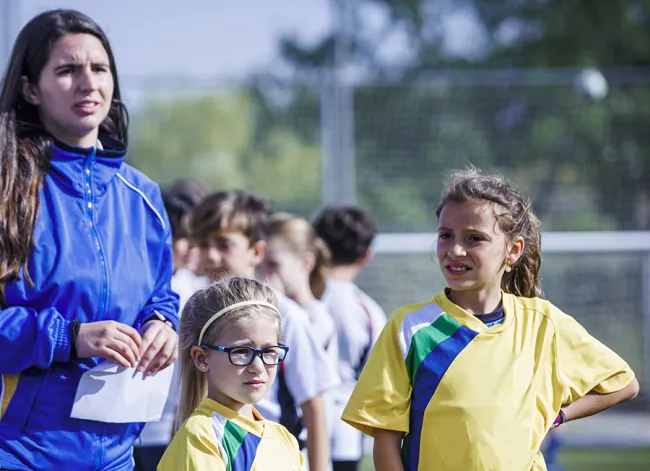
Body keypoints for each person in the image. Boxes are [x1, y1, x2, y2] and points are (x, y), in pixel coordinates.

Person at [342, 169, 640, 471]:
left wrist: (555, 415)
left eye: (474, 238)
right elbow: (385, 439)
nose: (455, 250)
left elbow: (622, 384)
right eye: (446, 236)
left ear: (513, 251)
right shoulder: (410, 328)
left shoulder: (543, 324)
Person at [0, 10, 179, 471]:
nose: (88, 83)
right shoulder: (6, 190)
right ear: (29, 89)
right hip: (19, 454)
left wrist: (162, 325)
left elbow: (161, 297)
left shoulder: (143, 197)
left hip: (118, 456)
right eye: (67, 70)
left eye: (99, 69)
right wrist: (69, 337)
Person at [191, 190, 339, 471]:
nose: (211, 255)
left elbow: (314, 407)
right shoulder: (194, 311)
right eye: (203, 243)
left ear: (257, 251)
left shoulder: (286, 315)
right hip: (209, 454)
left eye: (223, 244)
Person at [158, 276, 306, 470]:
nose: (258, 367)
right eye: (242, 352)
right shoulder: (202, 435)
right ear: (201, 358)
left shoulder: (285, 438)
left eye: (269, 351)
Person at [135, 178, 209, 471]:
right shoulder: (150, 284)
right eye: (181, 235)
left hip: (177, 426)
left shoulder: (200, 288)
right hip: (141, 426)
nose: (190, 246)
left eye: (199, 237)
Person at [312, 206, 387, 471]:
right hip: (345, 432)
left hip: (297, 428)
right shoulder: (369, 311)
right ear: (366, 256)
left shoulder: (297, 299)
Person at [258, 212, 338, 363]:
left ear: (306, 262)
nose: (263, 275)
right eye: (258, 265)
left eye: (272, 264)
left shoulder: (317, 319)